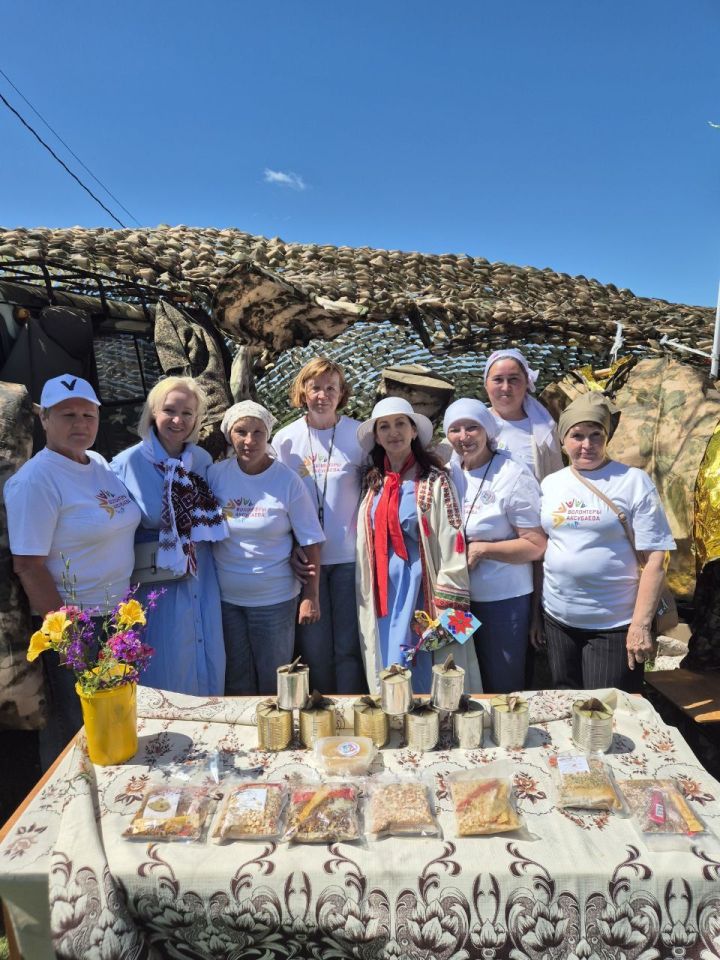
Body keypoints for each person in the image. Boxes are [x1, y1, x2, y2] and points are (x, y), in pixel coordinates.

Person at [5, 374, 141, 764]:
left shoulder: (96, 463)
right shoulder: (36, 480)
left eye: (88, 413)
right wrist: (66, 637)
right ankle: (67, 813)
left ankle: (115, 801)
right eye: (67, 415)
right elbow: (28, 565)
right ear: (44, 419)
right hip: (76, 623)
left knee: (113, 721)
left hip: (116, 618)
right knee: (76, 730)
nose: (80, 423)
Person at [535, 392, 676, 692]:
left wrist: (639, 625)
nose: (587, 445)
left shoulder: (632, 481)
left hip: (612, 624)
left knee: (608, 710)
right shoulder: (551, 484)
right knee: (565, 701)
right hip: (558, 618)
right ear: (563, 440)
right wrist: (538, 611)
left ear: (607, 437)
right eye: (577, 436)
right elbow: (544, 548)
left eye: (596, 435)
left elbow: (656, 557)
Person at [355, 397, 482, 695]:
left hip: (422, 588)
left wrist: (448, 603)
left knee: (423, 660)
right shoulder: (373, 482)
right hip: (382, 591)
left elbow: (453, 541)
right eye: (384, 426)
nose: (393, 432)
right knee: (388, 661)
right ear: (376, 436)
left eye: (401, 424)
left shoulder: (435, 481)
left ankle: (433, 727)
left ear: (414, 431)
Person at [111, 376, 228, 696]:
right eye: (170, 410)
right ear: (152, 413)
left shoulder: (202, 461)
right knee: (165, 657)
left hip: (200, 573)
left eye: (188, 413)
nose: (178, 420)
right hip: (155, 580)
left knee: (206, 652)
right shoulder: (126, 464)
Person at [208, 401, 325, 695]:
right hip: (226, 600)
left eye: (258, 432)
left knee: (275, 680)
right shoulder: (216, 475)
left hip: (274, 600)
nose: (250, 441)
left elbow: (311, 539)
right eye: (241, 432)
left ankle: (278, 737)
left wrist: (311, 596)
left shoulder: (286, 480)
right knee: (236, 679)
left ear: (268, 435)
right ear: (229, 435)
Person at [273, 357, 367, 694]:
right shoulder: (285, 440)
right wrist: (289, 546)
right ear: (302, 391)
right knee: (313, 648)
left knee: (348, 646)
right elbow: (276, 501)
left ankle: (353, 710)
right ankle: (323, 711)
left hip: (348, 557)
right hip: (305, 562)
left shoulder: (359, 436)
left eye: (331, 388)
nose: (323, 395)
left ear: (341, 393)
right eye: (315, 388)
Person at [444, 398, 546, 693]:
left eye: (472, 427)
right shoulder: (449, 473)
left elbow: (536, 544)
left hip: (503, 601)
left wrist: (483, 550)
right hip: (458, 602)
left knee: (502, 682)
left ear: (487, 431)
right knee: (461, 679)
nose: (464, 437)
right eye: (455, 429)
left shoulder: (512, 474)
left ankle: (507, 737)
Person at [484, 348, 563, 482]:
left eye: (513, 379)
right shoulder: (471, 425)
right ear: (486, 384)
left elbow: (556, 481)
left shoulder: (544, 431)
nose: (505, 387)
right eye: (498, 379)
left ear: (527, 382)